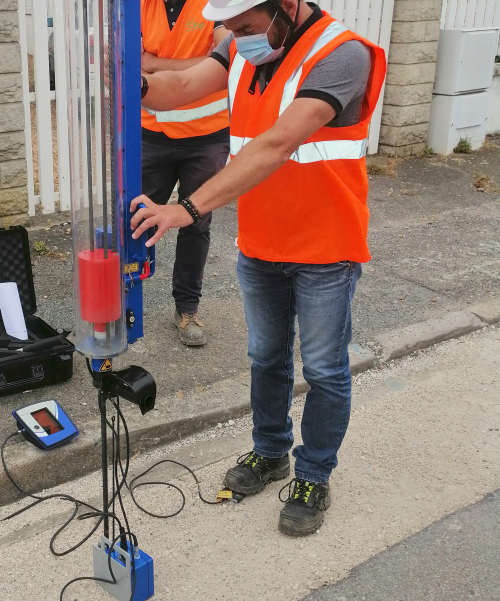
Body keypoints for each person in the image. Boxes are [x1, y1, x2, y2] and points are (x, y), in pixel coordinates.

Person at [132, 0, 386, 536]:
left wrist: (188, 207)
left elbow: (275, 145)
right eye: (229, 29)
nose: (235, 37)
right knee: (266, 358)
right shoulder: (242, 45)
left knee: (322, 369)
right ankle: (271, 452)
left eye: (245, 27)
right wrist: (121, 79)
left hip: (326, 247)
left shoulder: (341, 55)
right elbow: (177, 90)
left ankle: (314, 473)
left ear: (285, 7)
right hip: (263, 242)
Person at [140, 0, 230, 346]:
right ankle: (119, 302)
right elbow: (133, 62)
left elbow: (225, 54)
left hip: (206, 137)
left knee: (196, 220)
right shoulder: (140, 7)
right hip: (151, 132)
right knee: (138, 217)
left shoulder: (214, 5)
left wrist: (156, 64)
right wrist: (200, 64)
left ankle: (187, 308)